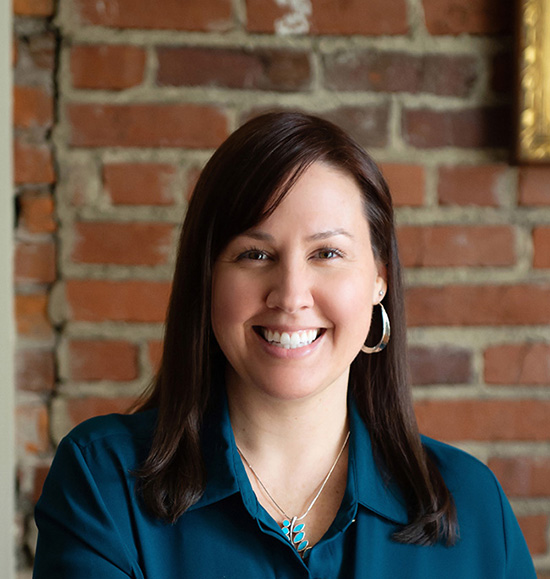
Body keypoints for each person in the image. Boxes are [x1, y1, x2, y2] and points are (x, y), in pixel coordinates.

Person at [33, 112, 536, 578]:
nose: (291, 295)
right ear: (206, 277)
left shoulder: (473, 507)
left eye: (327, 253)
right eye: (255, 254)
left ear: (379, 278)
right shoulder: (104, 482)